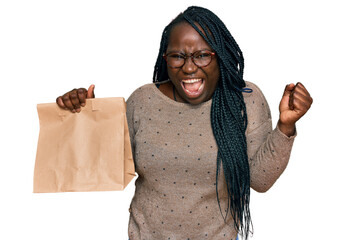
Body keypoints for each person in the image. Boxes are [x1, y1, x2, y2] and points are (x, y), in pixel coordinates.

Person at [56, 6, 312, 240]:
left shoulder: (244, 100)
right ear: (165, 58)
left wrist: (285, 126)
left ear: (219, 56)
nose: (189, 68)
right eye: (178, 56)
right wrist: (87, 119)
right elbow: (110, 169)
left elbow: (260, 180)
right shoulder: (142, 101)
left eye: (202, 55)